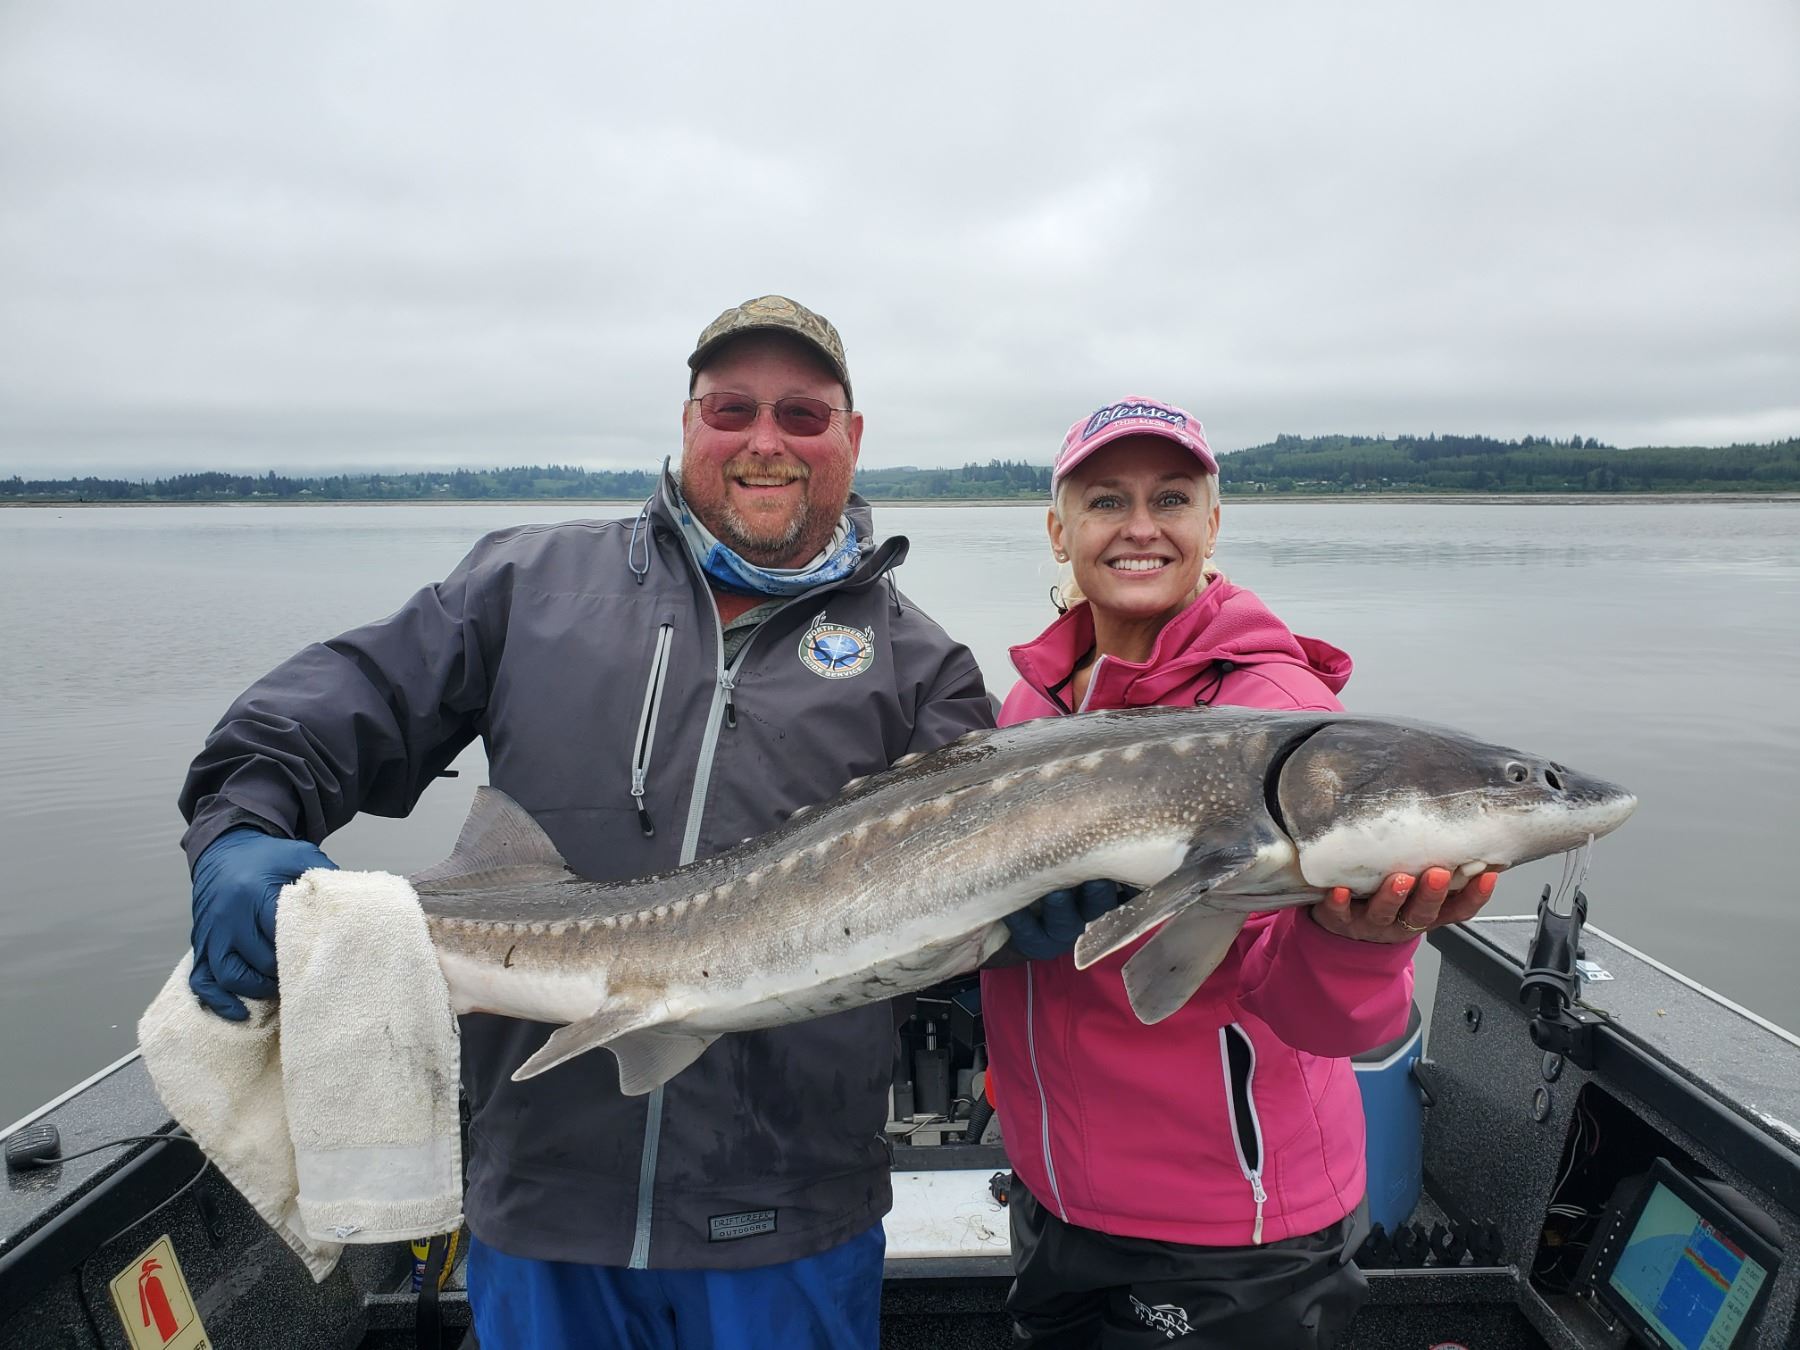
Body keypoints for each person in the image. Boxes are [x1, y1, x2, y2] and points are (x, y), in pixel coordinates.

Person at [178, 296, 1103, 1350]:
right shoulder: (529, 585)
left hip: (787, 1214)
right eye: (733, 409)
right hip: (543, 1204)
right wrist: (239, 824)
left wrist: (1029, 912)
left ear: (851, 437)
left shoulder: (921, 665)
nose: (765, 441)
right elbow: (347, 701)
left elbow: (950, 913)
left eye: (802, 415)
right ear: (688, 422)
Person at [980, 397, 1499, 1349]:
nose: (1141, 527)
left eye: (1172, 498)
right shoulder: (1035, 704)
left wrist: (1357, 942)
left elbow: (1331, 1023)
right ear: (1060, 532)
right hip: (1057, 1189)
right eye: (1107, 500)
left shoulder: (1280, 714)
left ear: (1212, 525)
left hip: (1231, 1226)